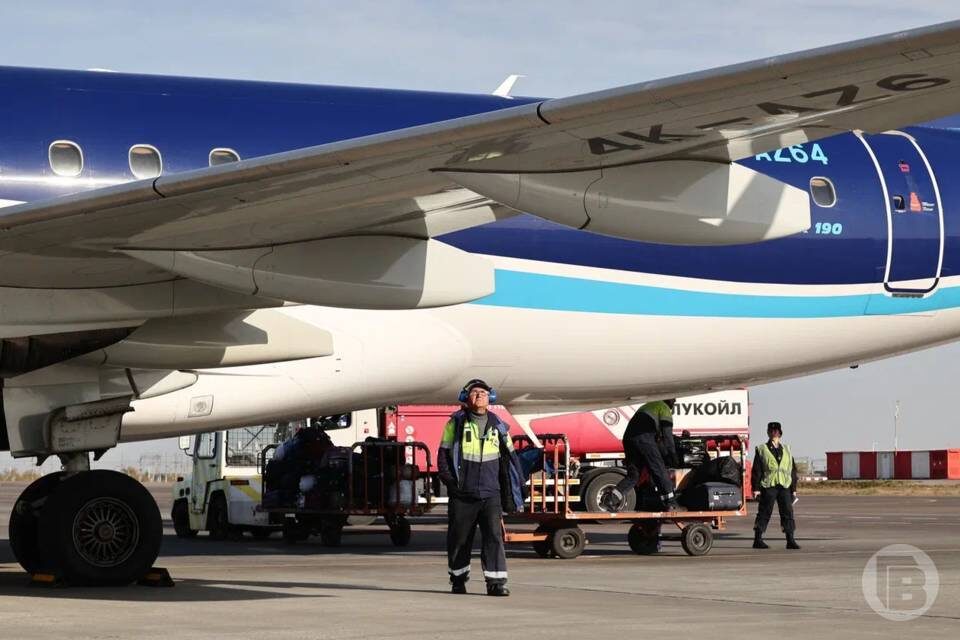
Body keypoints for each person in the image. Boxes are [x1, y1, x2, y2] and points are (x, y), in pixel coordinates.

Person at [437, 379, 524, 596]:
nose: (479, 396)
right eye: (474, 393)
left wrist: (512, 490)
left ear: (490, 398)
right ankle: (458, 580)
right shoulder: (455, 423)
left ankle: (496, 584)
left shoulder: (499, 425)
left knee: (494, 538)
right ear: (466, 398)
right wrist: (452, 484)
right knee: (459, 539)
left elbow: (510, 459)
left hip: (490, 494)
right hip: (463, 495)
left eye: (483, 393)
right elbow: (443, 456)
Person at [608, 399, 680, 512]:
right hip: (644, 438)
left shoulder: (649, 405)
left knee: (634, 475)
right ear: (670, 401)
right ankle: (671, 503)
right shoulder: (664, 408)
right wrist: (672, 456)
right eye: (674, 401)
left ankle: (611, 499)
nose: (674, 404)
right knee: (659, 469)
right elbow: (667, 436)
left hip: (629, 439)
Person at [751, 421, 800, 550]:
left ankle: (790, 540)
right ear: (768, 433)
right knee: (764, 512)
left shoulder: (787, 449)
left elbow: (792, 470)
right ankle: (758, 539)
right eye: (772, 431)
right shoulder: (762, 449)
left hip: (784, 485)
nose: (774, 433)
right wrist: (756, 489)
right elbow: (757, 470)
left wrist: (793, 489)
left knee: (787, 512)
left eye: (776, 431)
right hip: (769, 485)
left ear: (780, 433)